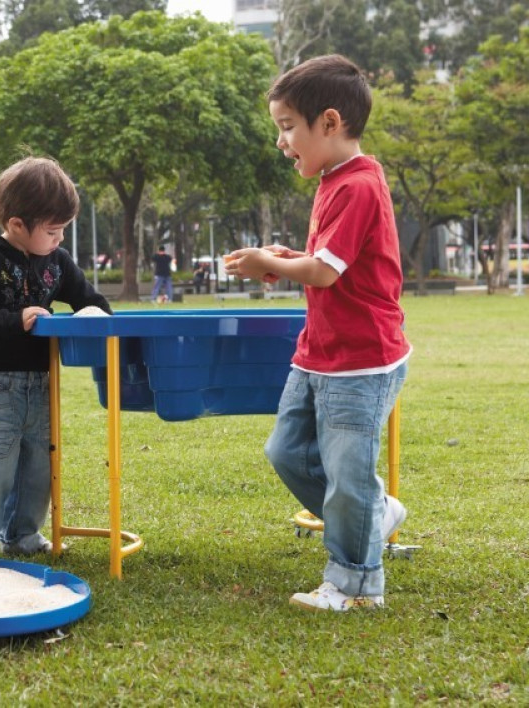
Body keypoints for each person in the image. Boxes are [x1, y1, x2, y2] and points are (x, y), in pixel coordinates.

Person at [225, 54, 411, 612]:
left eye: (288, 127)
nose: (282, 142)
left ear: (329, 123)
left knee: (347, 475)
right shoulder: (333, 179)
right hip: (320, 354)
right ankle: (374, 514)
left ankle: (356, 584)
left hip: (361, 359)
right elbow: (329, 260)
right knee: (287, 451)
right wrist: (284, 257)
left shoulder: (358, 185)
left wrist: (276, 262)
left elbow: (326, 272)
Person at [0, 156, 113, 558]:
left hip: (42, 384)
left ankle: (23, 536)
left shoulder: (57, 262)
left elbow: (88, 299)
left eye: (64, 230)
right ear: (17, 225)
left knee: (40, 467)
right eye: (53, 230)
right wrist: (14, 320)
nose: (60, 239)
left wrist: (101, 318)